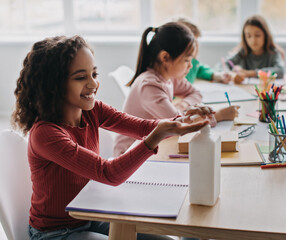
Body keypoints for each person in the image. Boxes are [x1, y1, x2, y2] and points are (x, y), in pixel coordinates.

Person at [12, 35, 211, 240]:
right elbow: (108, 173)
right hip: (56, 233)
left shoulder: (92, 110)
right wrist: (154, 138)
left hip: (91, 215)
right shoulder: (45, 134)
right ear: (53, 85)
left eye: (94, 73)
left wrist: (184, 119)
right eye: (81, 77)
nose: (93, 84)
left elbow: (143, 126)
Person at [113, 22, 239, 156]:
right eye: (187, 60)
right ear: (165, 57)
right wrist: (220, 115)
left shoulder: (169, 77)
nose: (191, 66)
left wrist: (184, 104)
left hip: (153, 147)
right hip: (129, 156)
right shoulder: (149, 86)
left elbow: (194, 93)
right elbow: (179, 126)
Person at [225, 15, 285, 84]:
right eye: (248, 36)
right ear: (244, 38)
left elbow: (280, 71)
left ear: (265, 35)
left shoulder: (273, 52)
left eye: (257, 35)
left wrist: (250, 73)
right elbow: (223, 65)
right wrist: (232, 75)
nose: (253, 40)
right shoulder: (243, 52)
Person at [176, 17, 232, 84]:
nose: (196, 46)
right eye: (193, 43)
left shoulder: (188, 64)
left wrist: (216, 75)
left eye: (196, 42)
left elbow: (199, 69)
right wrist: (193, 58)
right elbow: (186, 84)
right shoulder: (175, 66)